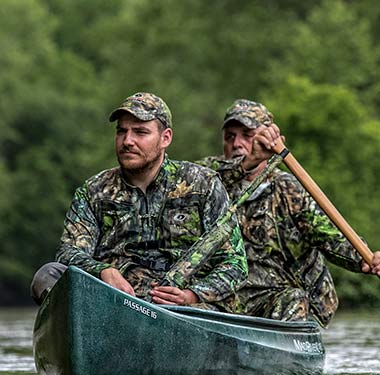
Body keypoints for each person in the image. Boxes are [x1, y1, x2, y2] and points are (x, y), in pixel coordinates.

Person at [31, 92, 248, 310]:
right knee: (47, 275)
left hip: (182, 308)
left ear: (165, 138)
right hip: (112, 301)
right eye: (122, 132)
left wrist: (191, 295)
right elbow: (68, 252)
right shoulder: (94, 191)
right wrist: (102, 271)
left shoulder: (203, 184)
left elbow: (235, 264)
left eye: (140, 132)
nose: (128, 141)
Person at [195, 98, 380, 326]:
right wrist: (249, 161)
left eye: (247, 135)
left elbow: (328, 236)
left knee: (293, 299)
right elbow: (193, 182)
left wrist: (364, 258)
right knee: (189, 304)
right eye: (230, 137)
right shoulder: (207, 178)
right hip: (229, 298)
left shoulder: (290, 189)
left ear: (268, 140)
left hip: (282, 298)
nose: (237, 143)